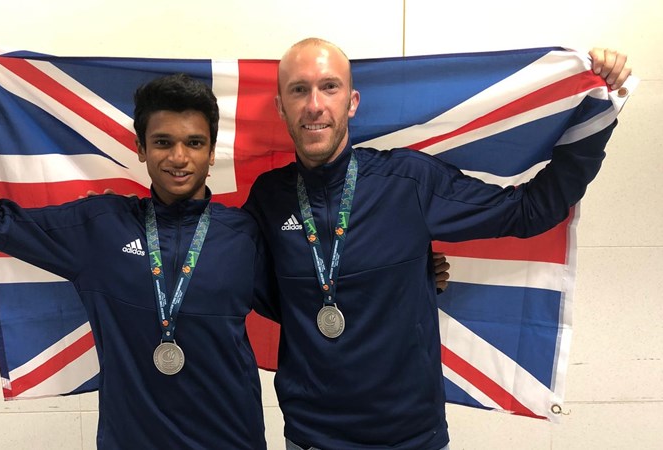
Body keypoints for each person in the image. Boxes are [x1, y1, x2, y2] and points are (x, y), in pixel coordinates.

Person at [242, 38, 631, 449]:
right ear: (281, 106)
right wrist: (390, 282)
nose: (315, 105)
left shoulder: (408, 182)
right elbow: (249, 283)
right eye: (299, 90)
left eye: (330, 87)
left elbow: (529, 209)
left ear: (352, 102)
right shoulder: (268, 199)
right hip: (311, 438)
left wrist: (597, 113)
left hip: (413, 438)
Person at [0, 26, 276, 449]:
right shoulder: (100, 227)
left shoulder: (244, 233)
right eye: (163, 142)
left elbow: (310, 305)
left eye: (194, 143)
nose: (179, 158)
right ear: (141, 148)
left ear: (211, 149)